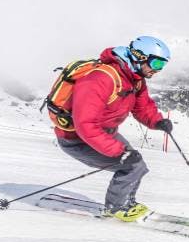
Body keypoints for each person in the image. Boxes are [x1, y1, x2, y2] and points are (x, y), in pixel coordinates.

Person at [54, 36, 174, 221]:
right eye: (156, 63)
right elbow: (85, 124)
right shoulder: (101, 79)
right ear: (139, 56)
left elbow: (142, 107)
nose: (158, 70)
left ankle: (126, 202)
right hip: (77, 139)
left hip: (105, 134)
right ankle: (117, 207)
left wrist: (157, 121)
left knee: (137, 165)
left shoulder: (135, 79)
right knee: (132, 165)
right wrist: (119, 151)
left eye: (162, 65)